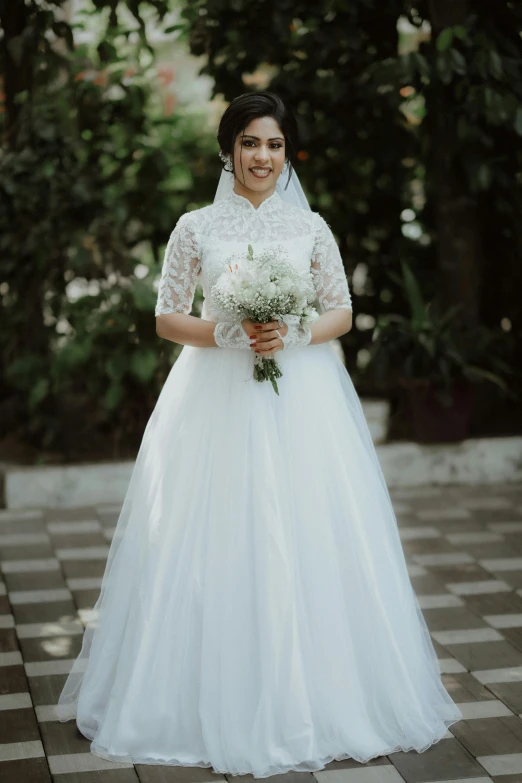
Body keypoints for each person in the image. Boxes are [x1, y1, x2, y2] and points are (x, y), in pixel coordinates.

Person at [57, 91, 462, 777]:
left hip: (299, 396)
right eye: (250, 143)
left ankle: (316, 692)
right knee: (211, 533)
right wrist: (224, 330)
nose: (262, 157)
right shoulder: (195, 227)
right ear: (230, 149)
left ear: (287, 153)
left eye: (274, 145)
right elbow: (164, 315)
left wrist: (293, 329)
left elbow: (341, 308)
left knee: (305, 529)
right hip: (211, 397)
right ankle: (197, 695)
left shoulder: (311, 228)